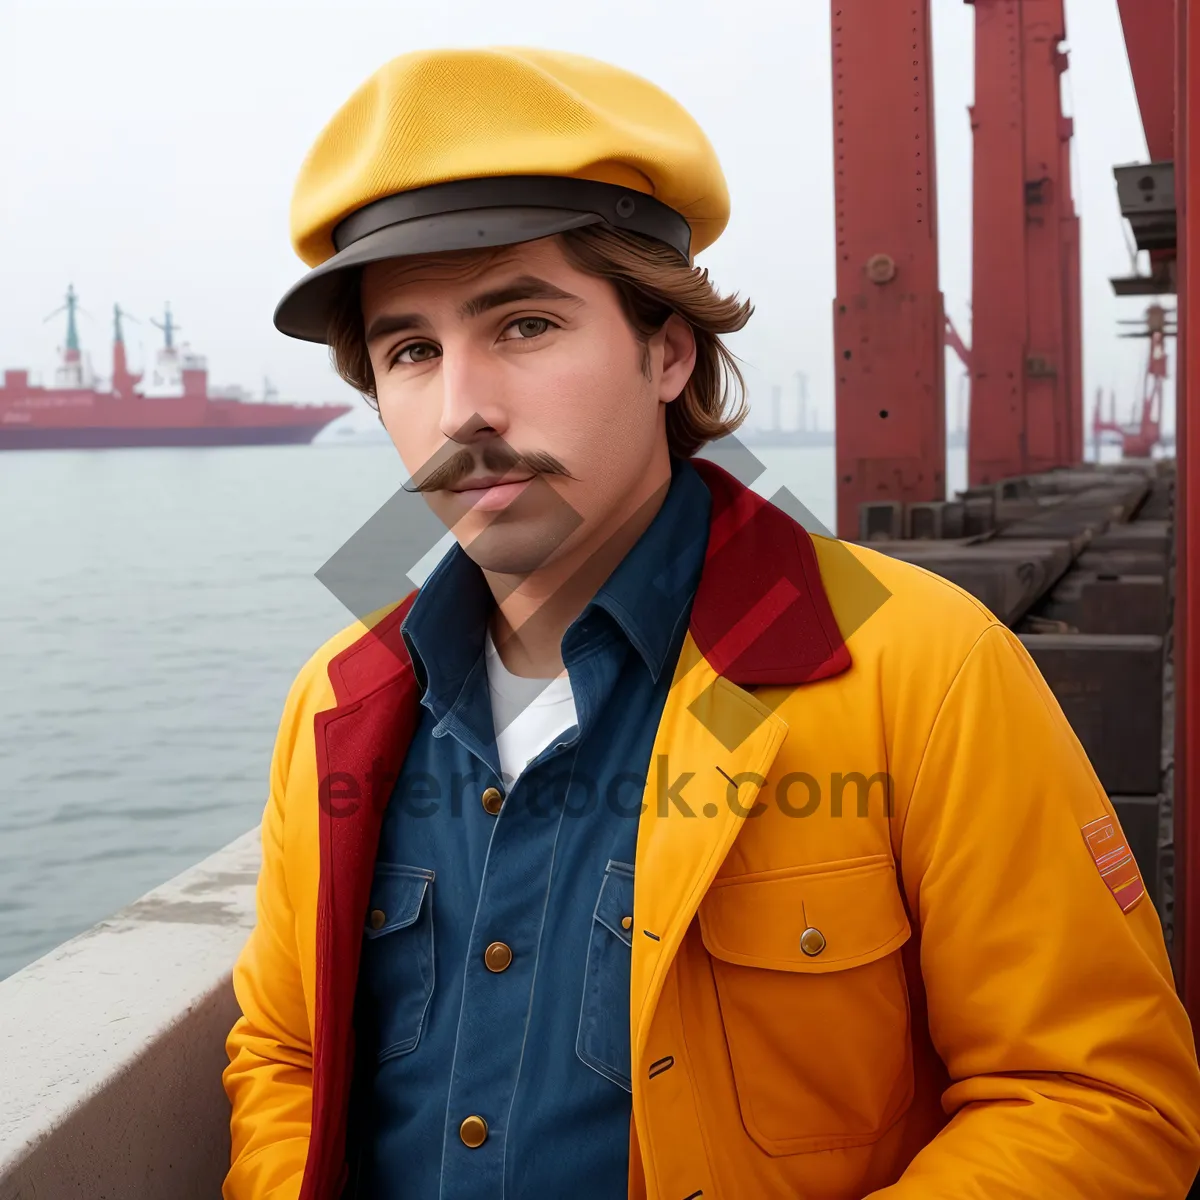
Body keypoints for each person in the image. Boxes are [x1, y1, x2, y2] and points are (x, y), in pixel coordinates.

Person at [223, 46, 1200, 1200]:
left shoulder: (919, 670)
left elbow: (1099, 1100)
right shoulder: (340, 702)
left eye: (525, 326)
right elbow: (284, 1053)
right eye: (411, 350)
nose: (462, 408)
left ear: (667, 350)